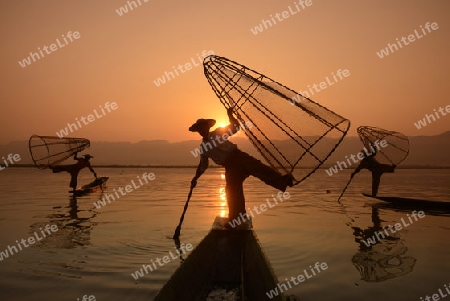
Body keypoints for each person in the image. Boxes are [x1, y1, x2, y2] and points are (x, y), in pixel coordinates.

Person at [189, 108, 294, 224]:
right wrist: (195, 178)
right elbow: (203, 165)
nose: (202, 130)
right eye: (200, 129)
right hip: (230, 167)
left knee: (260, 169)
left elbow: (235, 128)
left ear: (207, 127)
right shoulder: (203, 148)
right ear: (198, 131)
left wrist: (230, 115)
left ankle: (283, 181)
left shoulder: (218, 132)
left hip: (239, 157)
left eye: (203, 127)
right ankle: (237, 219)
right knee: (232, 191)